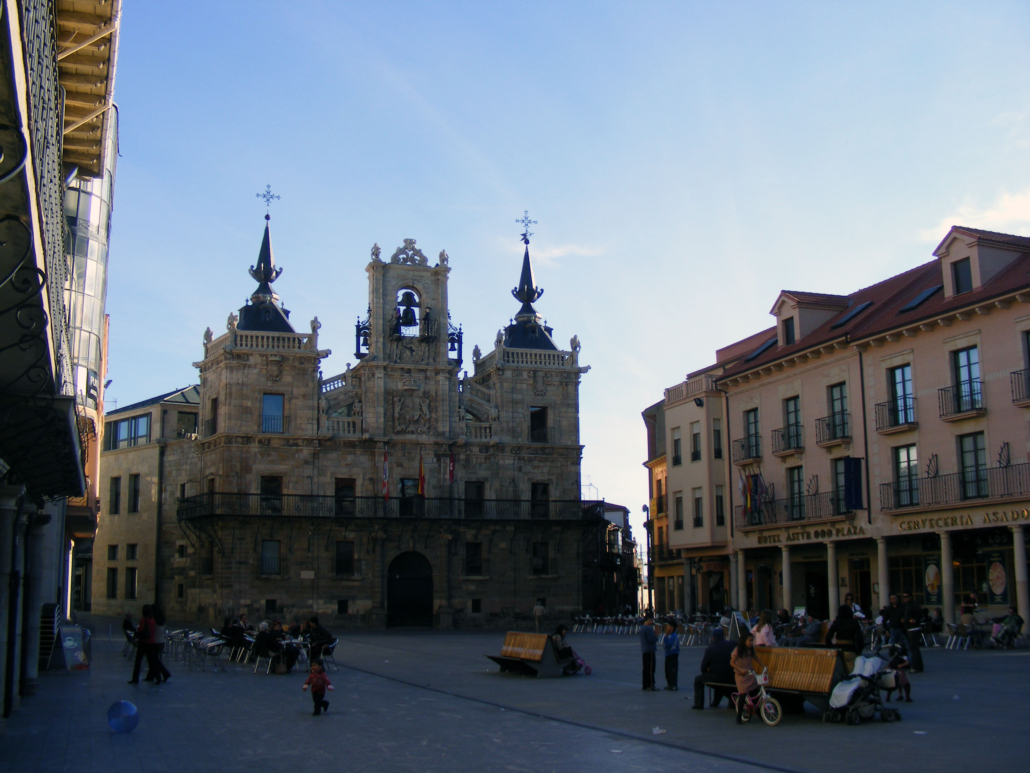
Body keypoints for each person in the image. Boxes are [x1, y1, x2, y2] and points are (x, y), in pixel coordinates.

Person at [692, 627, 735, 709]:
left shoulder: (710, 648)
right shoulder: (731, 644)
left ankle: (699, 704)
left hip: (717, 676)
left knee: (698, 680)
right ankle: (716, 702)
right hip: (731, 675)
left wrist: (708, 669)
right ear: (724, 636)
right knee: (721, 680)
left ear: (713, 637)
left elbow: (703, 668)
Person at [730, 633, 765, 725]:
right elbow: (732, 663)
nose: (751, 642)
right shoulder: (738, 650)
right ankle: (739, 717)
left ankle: (758, 712)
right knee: (743, 694)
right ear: (744, 641)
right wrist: (740, 669)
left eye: (752, 640)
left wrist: (764, 666)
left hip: (750, 673)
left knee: (755, 691)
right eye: (749, 640)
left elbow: (756, 658)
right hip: (741, 675)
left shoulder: (751, 650)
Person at [825, 604, 864, 672]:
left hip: (838, 652)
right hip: (850, 650)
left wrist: (832, 648)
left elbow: (827, 638)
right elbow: (860, 638)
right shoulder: (854, 622)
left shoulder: (836, 622)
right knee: (851, 674)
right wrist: (858, 651)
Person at [144, 604, 172, 683]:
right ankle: (150, 676)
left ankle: (165, 673)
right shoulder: (162, 620)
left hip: (154, 641)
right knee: (154, 659)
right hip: (161, 641)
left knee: (154, 660)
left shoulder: (153, 620)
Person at [901, 592, 924, 672]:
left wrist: (914, 620)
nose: (904, 598)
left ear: (910, 597)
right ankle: (918, 666)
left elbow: (920, 613)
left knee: (914, 649)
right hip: (909, 629)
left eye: (906, 596)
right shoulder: (907, 606)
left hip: (914, 629)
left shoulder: (914, 605)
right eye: (903, 597)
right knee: (913, 648)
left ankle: (916, 666)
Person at [639, 613, 658, 691]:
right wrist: (656, 636)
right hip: (650, 650)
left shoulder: (642, 628)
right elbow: (650, 640)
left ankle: (645, 684)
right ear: (649, 620)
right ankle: (650, 685)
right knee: (651, 668)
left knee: (645, 668)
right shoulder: (648, 628)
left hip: (644, 650)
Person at [663, 621, 680, 691]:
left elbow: (668, 645)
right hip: (668, 654)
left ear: (672, 628)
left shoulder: (673, 636)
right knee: (667, 670)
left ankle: (673, 684)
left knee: (672, 670)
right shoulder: (669, 635)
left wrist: (666, 637)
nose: (666, 628)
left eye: (668, 626)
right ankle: (669, 684)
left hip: (673, 654)